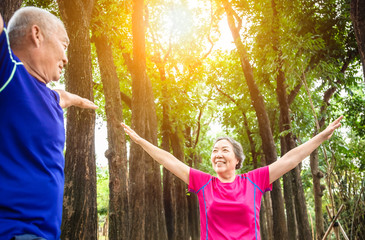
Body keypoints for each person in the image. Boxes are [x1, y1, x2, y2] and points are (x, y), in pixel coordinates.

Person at [121, 115, 343, 240]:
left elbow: (290, 159)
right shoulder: (203, 183)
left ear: (237, 159)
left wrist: (320, 137)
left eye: (225, 150)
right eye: (215, 150)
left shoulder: (254, 181)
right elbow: (168, 160)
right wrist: (141, 141)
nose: (218, 154)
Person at [0, 7, 98, 240]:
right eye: (64, 45)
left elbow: (61, 96)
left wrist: (78, 99)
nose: (66, 58)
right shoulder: (8, 71)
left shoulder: (49, 96)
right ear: (37, 34)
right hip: (13, 230)